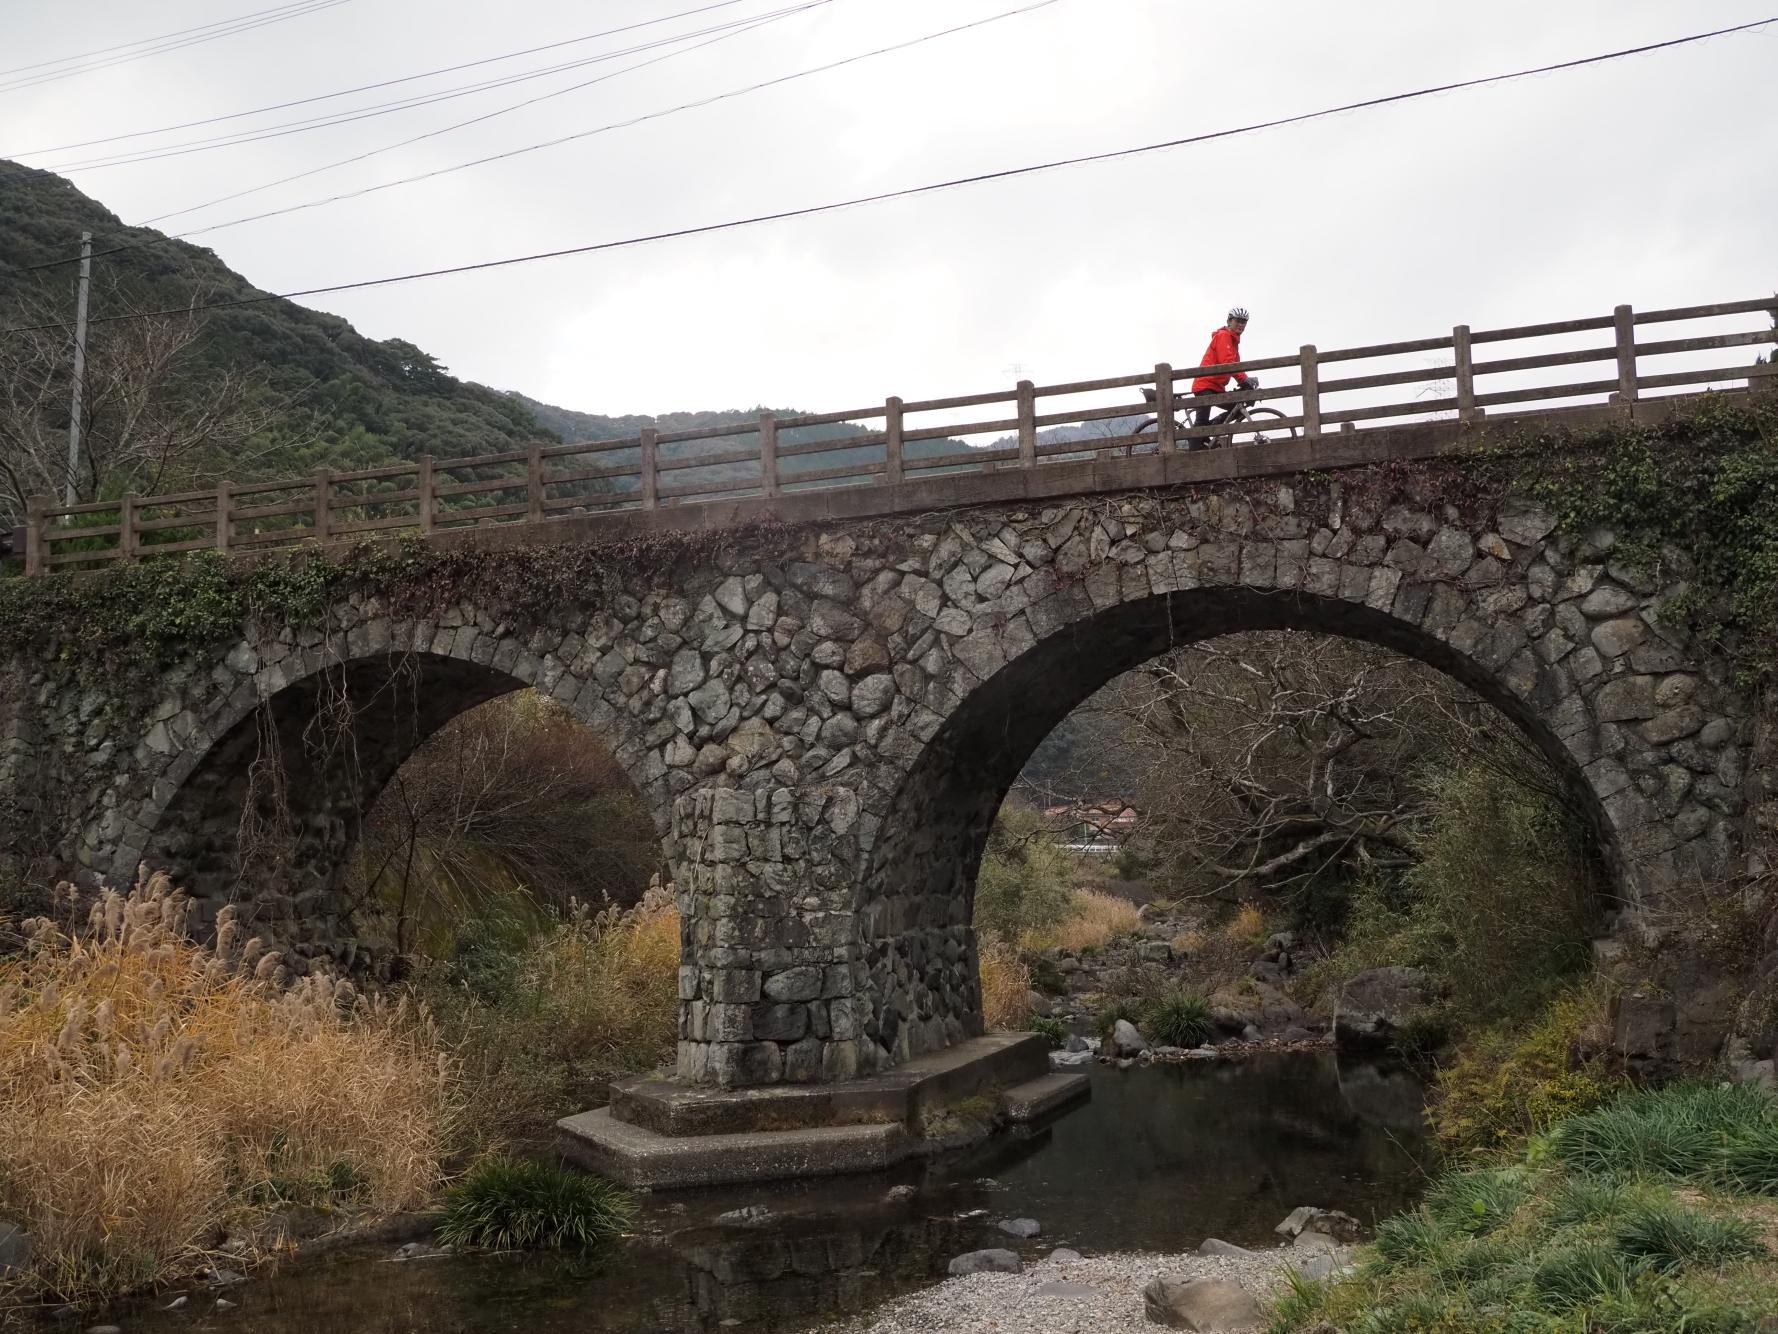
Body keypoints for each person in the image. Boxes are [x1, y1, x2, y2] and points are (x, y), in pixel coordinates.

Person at [1189, 307, 1257, 447]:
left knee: (1236, 408)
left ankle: (1208, 431)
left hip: (1217, 387)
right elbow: (1227, 362)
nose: (1241, 325)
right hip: (1205, 385)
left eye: (1244, 322)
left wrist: (1245, 380)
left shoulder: (1233, 342)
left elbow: (1235, 366)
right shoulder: (1223, 336)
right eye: (1238, 321)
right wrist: (1244, 379)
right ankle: (1192, 456)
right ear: (1229, 321)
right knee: (1201, 423)